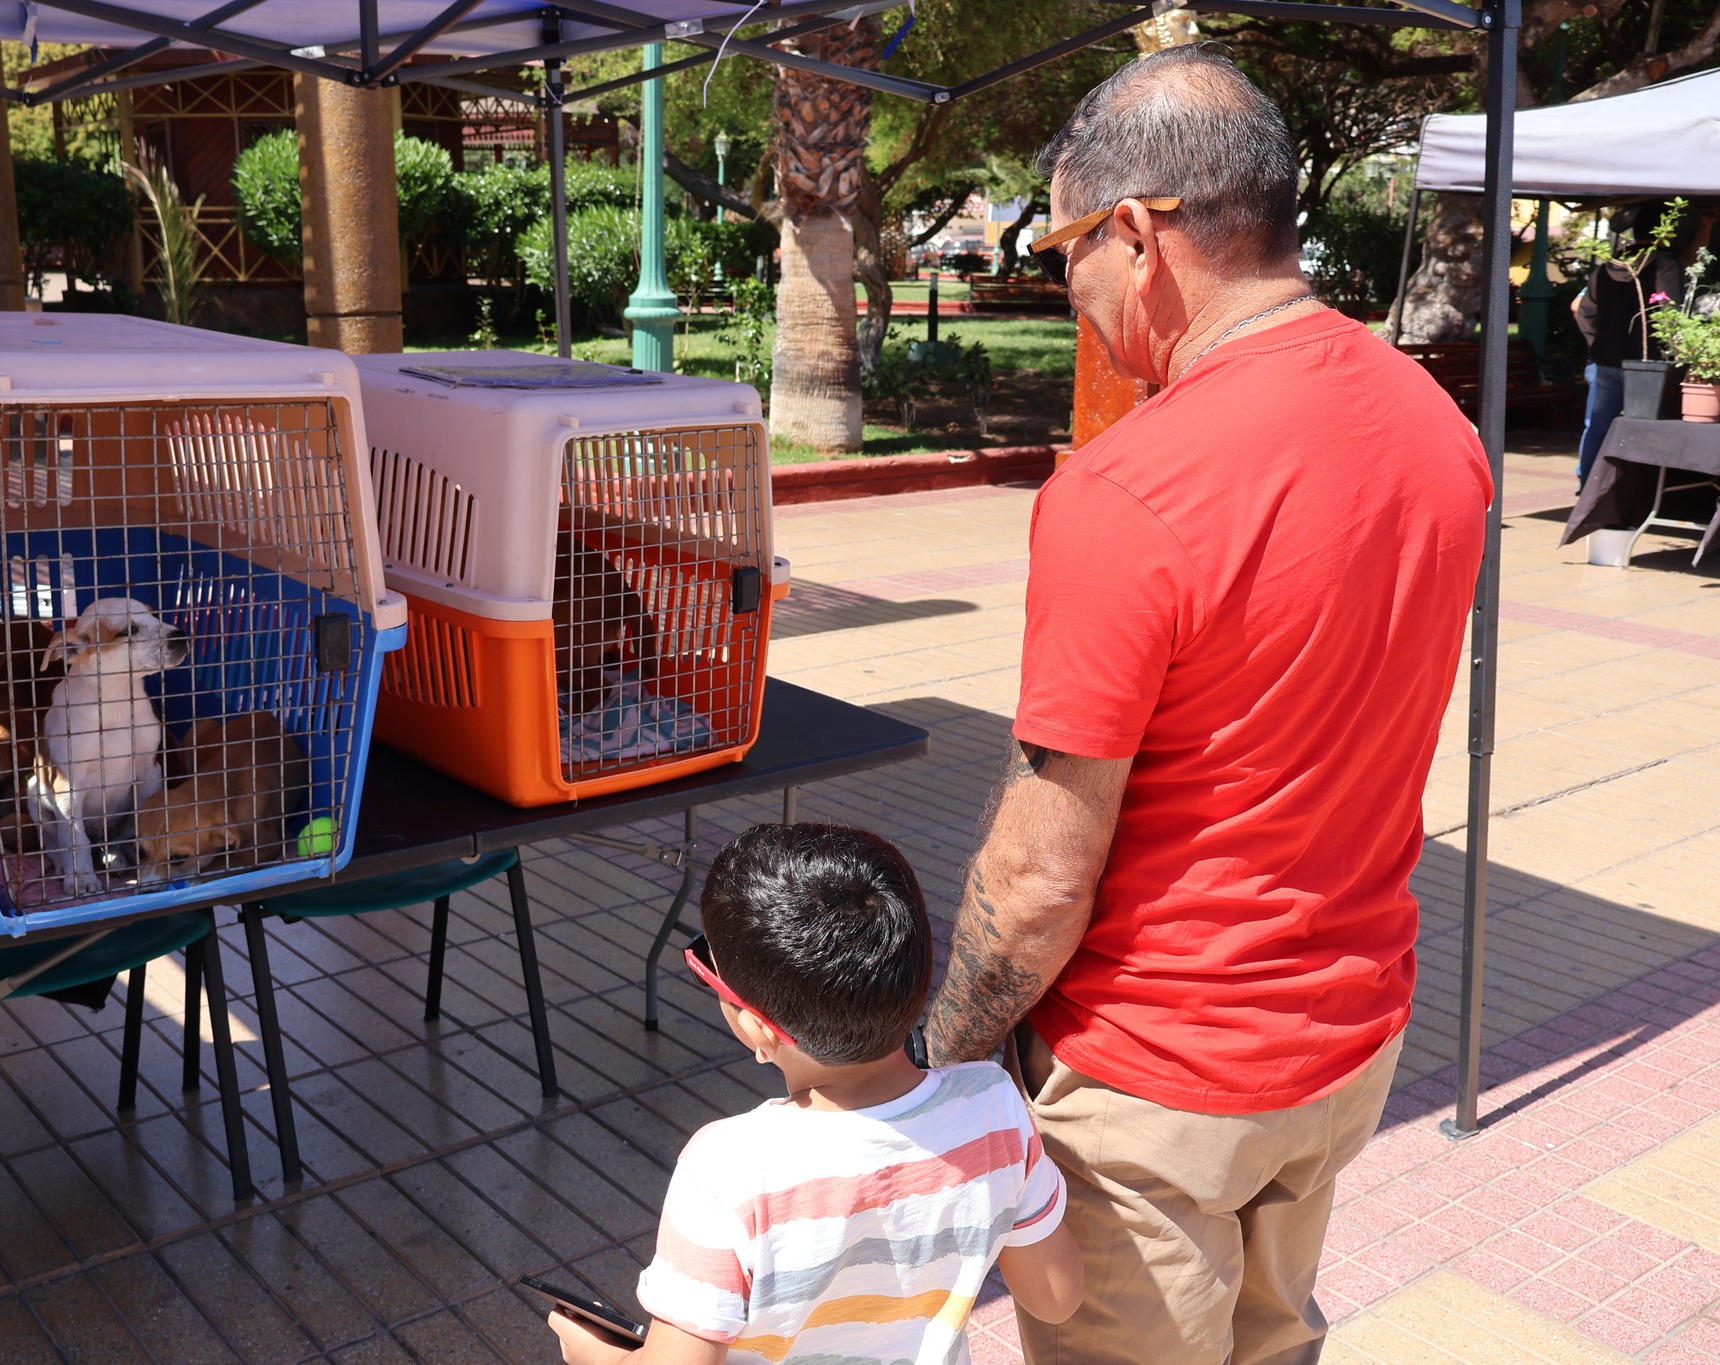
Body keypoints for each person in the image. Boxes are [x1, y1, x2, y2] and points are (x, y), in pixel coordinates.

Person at [922, 44, 1492, 1365]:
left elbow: (1039, 873)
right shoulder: (1434, 426)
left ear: (1137, 233)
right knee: (1276, 1343)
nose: (1063, 286)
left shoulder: (1128, 494)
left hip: (1157, 1081)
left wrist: (946, 1051)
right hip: (1348, 1037)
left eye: (1060, 247)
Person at [547, 823, 1084, 1365]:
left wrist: (598, 1355)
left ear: (759, 1030)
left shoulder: (728, 1169)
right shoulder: (992, 1107)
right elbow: (1057, 1298)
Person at [1575, 201, 1688, 490]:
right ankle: (1631, 497)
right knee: (1642, 430)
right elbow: (1668, 314)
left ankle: (1588, 487)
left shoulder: (1607, 266)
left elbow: (1583, 310)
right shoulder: (1663, 263)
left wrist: (1596, 342)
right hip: (1645, 365)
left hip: (1605, 360)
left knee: (1596, 428)